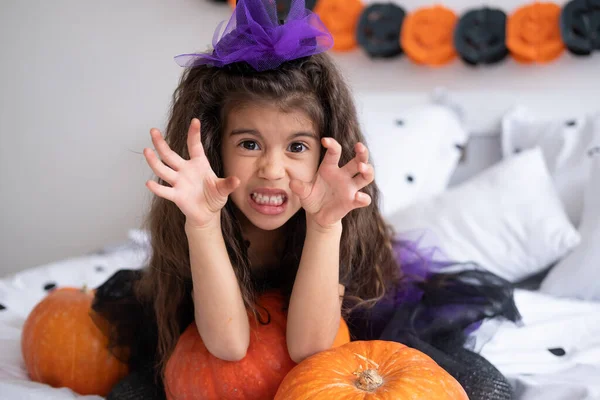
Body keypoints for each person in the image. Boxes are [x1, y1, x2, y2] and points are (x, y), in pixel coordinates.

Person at [92, 0, 520, 398]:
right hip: (218, 334)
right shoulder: (197, 220)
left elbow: (310, 350)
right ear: (215, 146)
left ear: (323, 153)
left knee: (474, 384)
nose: (273, 171)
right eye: (249, 144)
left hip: (331, 330)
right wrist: (202, 224)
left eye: (297, 147)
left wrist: (324, 225)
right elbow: (227, 346)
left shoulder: (342, 226)